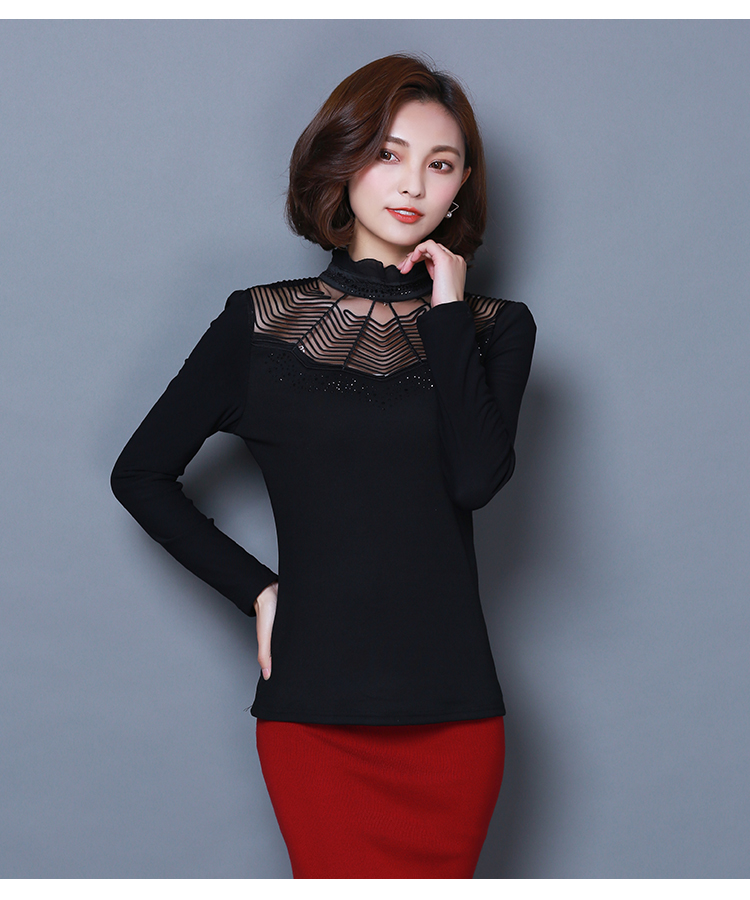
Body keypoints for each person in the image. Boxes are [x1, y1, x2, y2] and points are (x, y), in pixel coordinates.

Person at [111, 53, 536, 878]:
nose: (412, 183)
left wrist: (448, 313)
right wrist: (259, 591)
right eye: (388, 153)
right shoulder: (258, 325)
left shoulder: (495, 328)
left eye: (440, 164)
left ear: (461, 188)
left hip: (453, 716)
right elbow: (141, 475)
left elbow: (475, 481)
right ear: (343, 162)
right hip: (315, 714)